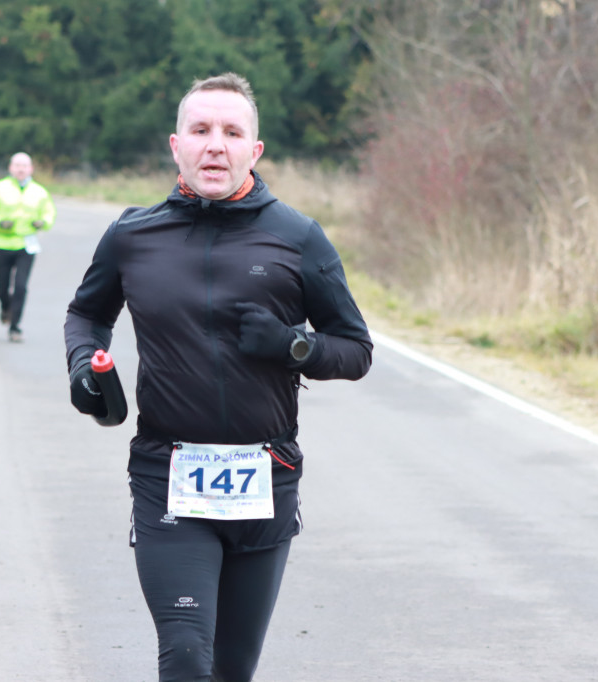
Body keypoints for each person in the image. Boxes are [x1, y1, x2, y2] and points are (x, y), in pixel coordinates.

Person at [64, 73, 373, 681]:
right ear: (175, 144)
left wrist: (295, 345)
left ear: (253, 152)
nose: (216, 145)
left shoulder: (297, 237)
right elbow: (86, 313)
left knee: (231, 670)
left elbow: (355, 349)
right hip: (167, 475)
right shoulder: (133, 235)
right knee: (184, 655)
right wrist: (84, 367)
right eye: (201, 130)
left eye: (232, 133)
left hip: (266, 478)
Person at [0, 152, 56, 343]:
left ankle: (15, 327)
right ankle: (6, 307)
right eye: (17, 165)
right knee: (1, 288)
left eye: (25, 165)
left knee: (21, 287)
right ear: (10, 168)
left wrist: (42, 222)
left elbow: (49, 213)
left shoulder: (39, 192)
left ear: (31, 169)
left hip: (26, 246)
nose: (21, 169)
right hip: (3, 245)